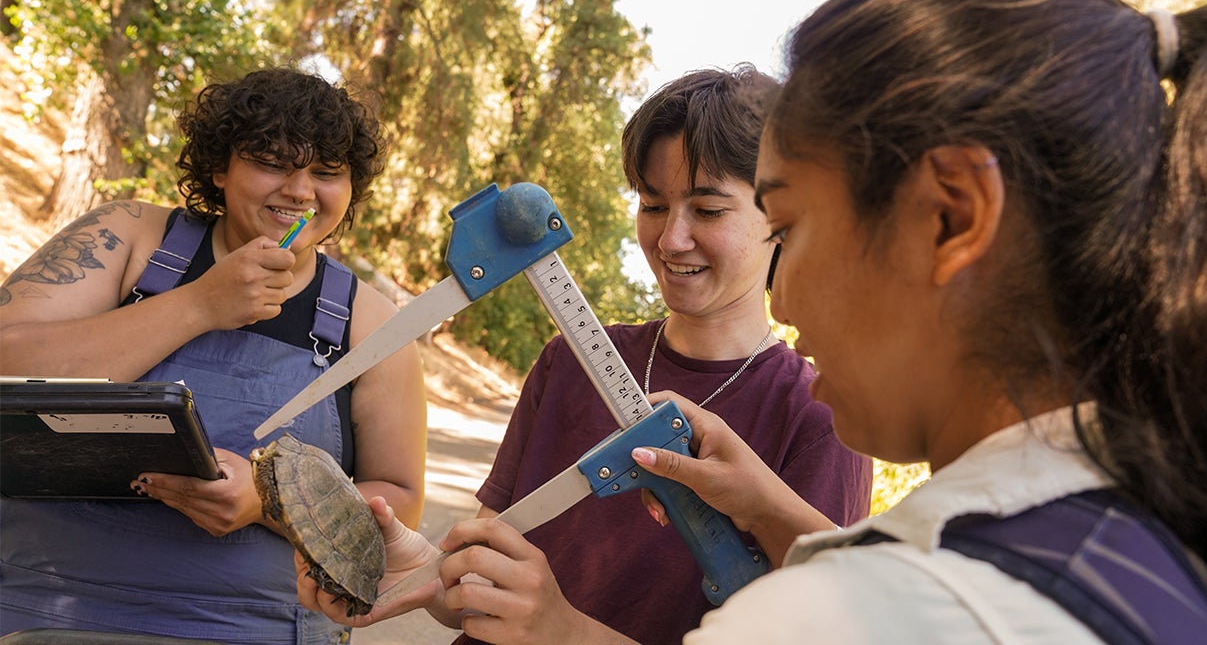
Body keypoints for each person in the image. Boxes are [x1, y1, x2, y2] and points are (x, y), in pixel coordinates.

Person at [304, 0, 1207, 645]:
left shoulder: (874, 613)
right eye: (650, 204)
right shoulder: (1155, 534)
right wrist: (774, 514)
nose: (787, 284)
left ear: (949, 217)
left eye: (791, 223)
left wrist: (561, 633)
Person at [301, 66, 873, 644]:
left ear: (781, 218)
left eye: (708, 210)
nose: (672, 239)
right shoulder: (568, 358)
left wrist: (563, 631)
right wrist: (423, 568)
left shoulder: (819, 416)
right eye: (652, 204)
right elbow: (489, 591)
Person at [0, 67, 428, 645]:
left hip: (260, 630)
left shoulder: (375, 326)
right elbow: (9, 361)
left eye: (326, 172)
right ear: (220, 167)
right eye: (273, 162)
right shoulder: (127, 238)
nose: (301, 191)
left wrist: (272, 502)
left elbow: (399, 508)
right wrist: (200, 304)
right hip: (37, 611)